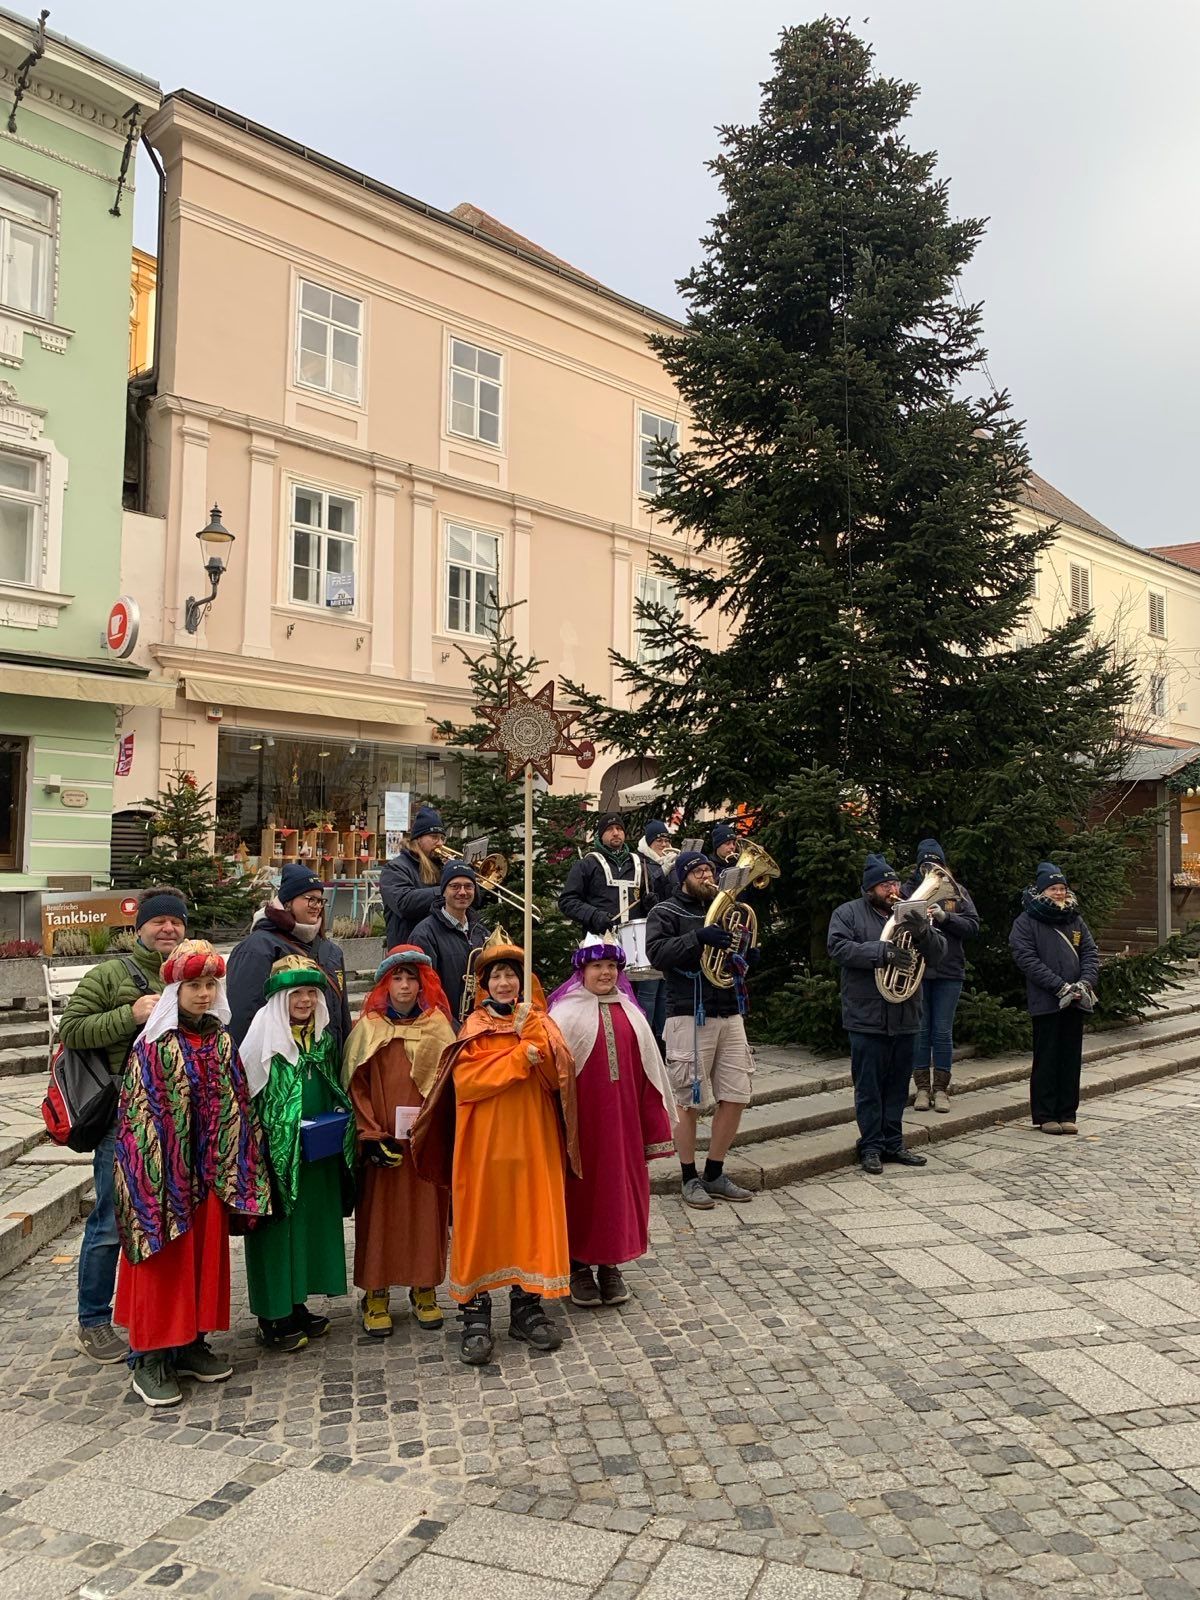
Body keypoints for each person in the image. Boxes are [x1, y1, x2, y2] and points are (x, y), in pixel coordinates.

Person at [113, 940, 271, 1408]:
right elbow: (138, 1114)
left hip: (210, 1174)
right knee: (163, 1261)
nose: (204, 994)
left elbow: (237, 1101)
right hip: (164, 1178)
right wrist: (158, 1174)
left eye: (209, 985)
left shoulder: (221, 1040)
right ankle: (149, 1357)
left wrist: (237, 1162)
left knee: (201, 1257)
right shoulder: (154, 1044)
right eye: (194, 986)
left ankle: (189, 1342)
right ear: (175, 991)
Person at [411, 939, 579, 1366]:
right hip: (483, 1144)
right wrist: (519, 1056)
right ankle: (476, 1315)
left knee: (530, 1218)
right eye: (497, 976)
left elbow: (557, 1078)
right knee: (481, 1223)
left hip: (533, 1140)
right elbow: (468, 1082)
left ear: (522, 982)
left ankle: (526, 1307)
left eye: (511, 975)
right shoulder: (473, 1027)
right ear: (485, 985)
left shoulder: (539, 1021)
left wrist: (533, 1034)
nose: (505, 983)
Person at [58, 886, 186, 1364]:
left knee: (171, 1220)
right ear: (140, 928)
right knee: (112, 1220)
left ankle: (159, 1315)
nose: (168, 929)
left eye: (176, 921)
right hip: (122, 1118)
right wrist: (128, 1014)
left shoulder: (191, 975)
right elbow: (71, 1029)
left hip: (175, 1118)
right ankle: (93, 1319)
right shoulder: (110, 975)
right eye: (159, 921)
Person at [548, 937, 675, 1308]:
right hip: (582, 1128)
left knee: (617, 1191)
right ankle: (577, 1266)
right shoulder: (563, 1016)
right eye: (597, 966)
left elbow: (650, 1074)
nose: (605, 973)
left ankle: (610, 1265)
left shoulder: (632, 1013)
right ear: (582, 971)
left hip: (623, 1127)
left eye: (611, 967)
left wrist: (651, 1123)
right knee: (581, 1192)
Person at [238, 956, 355, 1352]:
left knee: (307, 1224)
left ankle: (297, 1301)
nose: (305, 1001)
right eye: (296, 994)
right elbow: (248, 1096)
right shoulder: (263, 1039)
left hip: (315, 1151)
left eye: (311, 993)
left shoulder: (321, 1040)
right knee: (277, 1229)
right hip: (276, 1153)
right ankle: (273, 1314)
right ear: (280, 999)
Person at [342, 946, 456, 1336]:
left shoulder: (438, 1027)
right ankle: (376, 1293)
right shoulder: (369, 1029)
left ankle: (424, 1287)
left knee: (426, 1214)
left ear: (423, 985)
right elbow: (356, 1086)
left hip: (423, 1142)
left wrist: (436, 1129)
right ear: (385, 984)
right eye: (397, 978)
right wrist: (370, 1134)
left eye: (412, 978)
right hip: (383, 1143)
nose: (405, 986)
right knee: (379, 1217)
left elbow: (448, 1086)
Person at [645, 851, 757, 1210]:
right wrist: (698, 938)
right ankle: (688, 1176)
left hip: (729, 1010)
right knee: (687, 1101)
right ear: (683, 878)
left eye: (710, 870)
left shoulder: (726, 910)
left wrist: (745, 954)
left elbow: (735, 956)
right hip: (688, 1013)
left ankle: (715, 1172)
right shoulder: (665, 912)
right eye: (698, 872)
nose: (707, 876)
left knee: (737, 1093)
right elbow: (657, 954)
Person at [827, 853, 947, 1176]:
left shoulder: (911, 912)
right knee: (869, 1087)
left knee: (897, 1085)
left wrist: (922, 930)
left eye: (894, 883)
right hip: (866, 1016)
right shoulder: (848, 913)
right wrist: (883, 952)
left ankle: (893, 1143)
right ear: (870, 889)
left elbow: (939, 954)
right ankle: (870, 1146)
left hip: (906, 1013)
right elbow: (838, 948)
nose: (892, 889)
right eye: (885, 885)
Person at [1009, 861, 1100, 1136]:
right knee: (1047, 1059)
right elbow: (1027, 959)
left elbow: (1090, 953)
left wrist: (1085, 983)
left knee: (1070, 1059)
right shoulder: (1026, 922)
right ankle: (1045, 1114)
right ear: (1042, 892)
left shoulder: (1075, 919)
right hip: (1046, 1001)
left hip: (1076, 1000)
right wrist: (1059, 986)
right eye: (1053, 889)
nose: (1059, 893)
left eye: (1062, 888)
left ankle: (1067, 1113)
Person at [226, 863, 352, 1051]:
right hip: (281, 1064)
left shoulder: (331, 951)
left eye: (320, 900)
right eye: (310, 899)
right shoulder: (258, 948)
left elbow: (342, 1015)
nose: (317, 906)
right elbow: (244, 1016)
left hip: (327, 1062)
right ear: (287, 902)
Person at [903, 840, 979, 1113]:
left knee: (943, 1031)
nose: (931, 870)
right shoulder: (907, 891)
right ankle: (922, 1088)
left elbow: (973, 926)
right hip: (918, 969)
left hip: (949, 969)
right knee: (921, 1030)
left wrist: (946, 917)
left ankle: (942, 1089)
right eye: (926, 865)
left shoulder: (958, 892)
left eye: (936, 864)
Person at [410, 860, 489, 1026]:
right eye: (455, 886)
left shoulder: (482, 932)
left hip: (481, 1026)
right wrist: (453, 1028)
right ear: (443, 891)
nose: (463, 892)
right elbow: (425, 992)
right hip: (444, 1027)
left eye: (468, 886)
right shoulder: (424, 934)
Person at [559, 813, 663, 938]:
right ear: (601, 835)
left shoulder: (640, 865)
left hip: (633, 940)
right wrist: (594, 915)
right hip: (599, 940)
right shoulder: (587, 865)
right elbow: (567, 901)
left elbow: (650, 911)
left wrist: (650, 905)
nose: (615, 833)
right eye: (609, 829)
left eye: (619, 829)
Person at [379, 806, 447, 947]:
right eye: (434, 837)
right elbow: (404, 903)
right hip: (409, 948)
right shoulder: (395, 868)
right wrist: (447, 890)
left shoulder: (442, 866)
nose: (440, 843)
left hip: (439, 945)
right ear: (418, 839)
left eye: (442, 838)